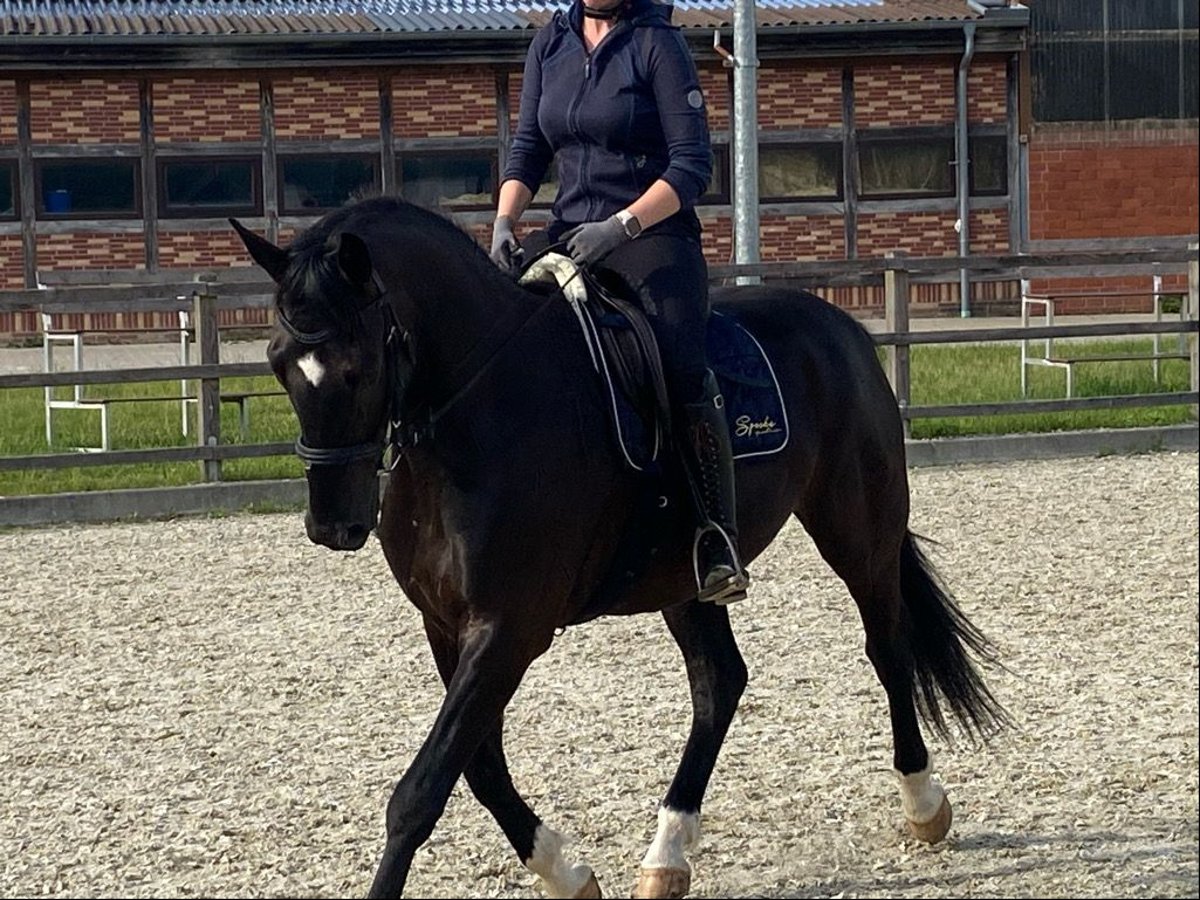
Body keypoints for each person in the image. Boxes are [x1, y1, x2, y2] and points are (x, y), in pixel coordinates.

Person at [489, 0, 749, 604]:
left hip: (651, 236)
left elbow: (692, 164)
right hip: (568, 230)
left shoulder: (658, 44)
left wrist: (623, 226)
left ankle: (715, 533)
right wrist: (504, 222)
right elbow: (528, 148)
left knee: (680, 360)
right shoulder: (549, 45)